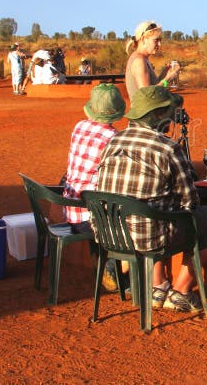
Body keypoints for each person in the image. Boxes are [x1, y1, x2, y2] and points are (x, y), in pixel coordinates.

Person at [97, 85, 207, 312]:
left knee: (154, 212)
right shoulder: (167, 148)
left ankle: (158, 287)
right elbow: (190, 201)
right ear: (156, 116)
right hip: (147, 237)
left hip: (110, 235)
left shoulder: (113, 142)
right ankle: (182, 292)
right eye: (168, 112)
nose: (172, 119)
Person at [62, 84, 126, 291]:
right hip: (94, 219)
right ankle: (116, 266)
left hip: (71, 210)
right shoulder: (114, 138)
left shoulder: (79, 127)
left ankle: (110, 263)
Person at [124, 21, 180, 98]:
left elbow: (152, 87)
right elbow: (148, 96)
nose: (159, 44)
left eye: (160, 40)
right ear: (144, 39)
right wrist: (168, 79)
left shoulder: (143, 59)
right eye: (156, 40)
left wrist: (164, 74)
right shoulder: (139, 61)